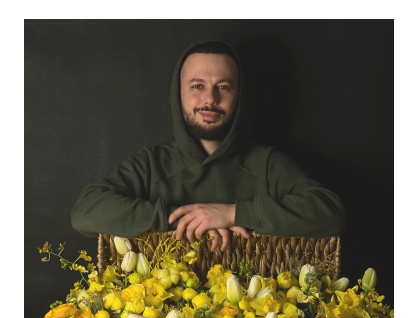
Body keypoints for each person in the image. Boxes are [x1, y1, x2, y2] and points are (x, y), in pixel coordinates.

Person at [71, 40, 345, 251]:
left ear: (238, 96)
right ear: (179, 94)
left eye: (223, 87)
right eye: (197, 86)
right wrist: (184, 219)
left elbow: (330, 213)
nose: (210, 99)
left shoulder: (266, 164)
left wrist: (232, 213)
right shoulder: (152, 165)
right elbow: (85, 211)